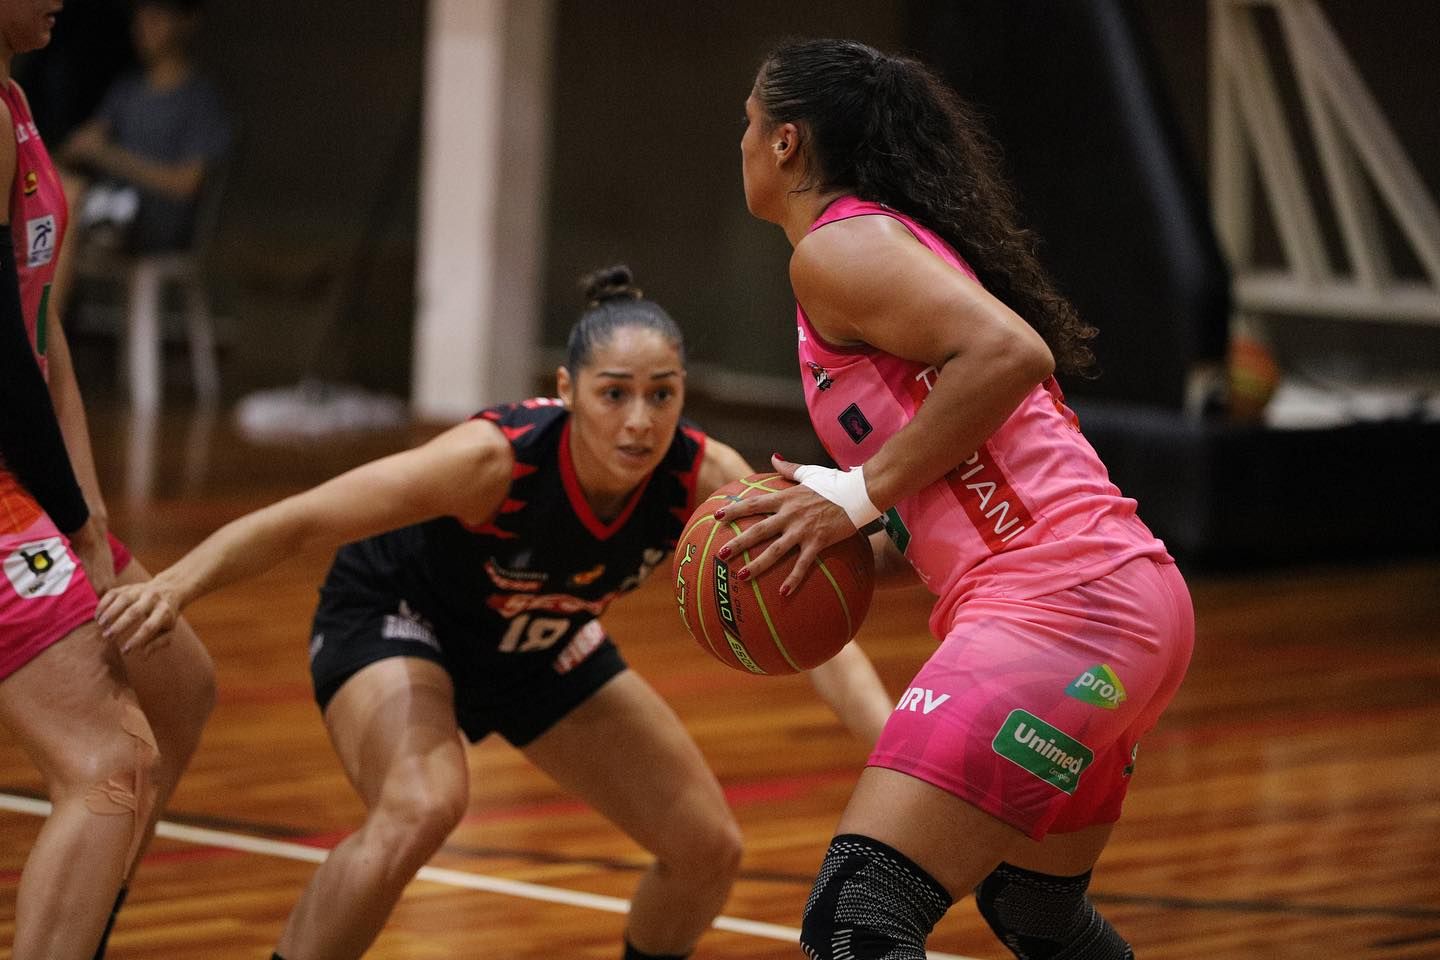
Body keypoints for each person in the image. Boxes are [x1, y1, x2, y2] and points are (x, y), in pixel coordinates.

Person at [98, 265, 893, 960]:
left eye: (663, 394)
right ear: (565, 389)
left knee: (707, 849)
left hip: (537, 642)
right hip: (401, 618)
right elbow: (305, 518)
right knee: (423, 805)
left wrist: (895, 750)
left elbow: (804, 619)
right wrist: (176, 586)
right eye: (614, 394)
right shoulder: (492, 461)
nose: (641, 420)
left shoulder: (704, 480)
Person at [723, 39, 1195, 959]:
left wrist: (859, 494)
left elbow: (1012, 355)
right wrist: (855, 511)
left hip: (1064, 605)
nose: (736, 141)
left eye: (746, 121)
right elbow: (974, 452)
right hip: (1120, 603)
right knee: (1037, 910)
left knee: (859, 922)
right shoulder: (874, 245)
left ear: (785, 144)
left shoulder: (839, 248)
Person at [0, 3, 216, 958]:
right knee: (110, 760)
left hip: (30, 475)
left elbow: (43, 339)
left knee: (179, 687)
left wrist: (87, 515)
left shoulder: (14, 100)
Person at [50, 0, 228, 305]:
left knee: (71, 202)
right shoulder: (127, 90)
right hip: (109, 211)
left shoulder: (199, 100)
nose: (143, 29)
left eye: (156, 18)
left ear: (185, 23)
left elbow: (186, 184)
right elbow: (85, 142)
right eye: (139, 19)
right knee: (55, 198)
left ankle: (39, 335)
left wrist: (110, 157)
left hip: (160, 225)